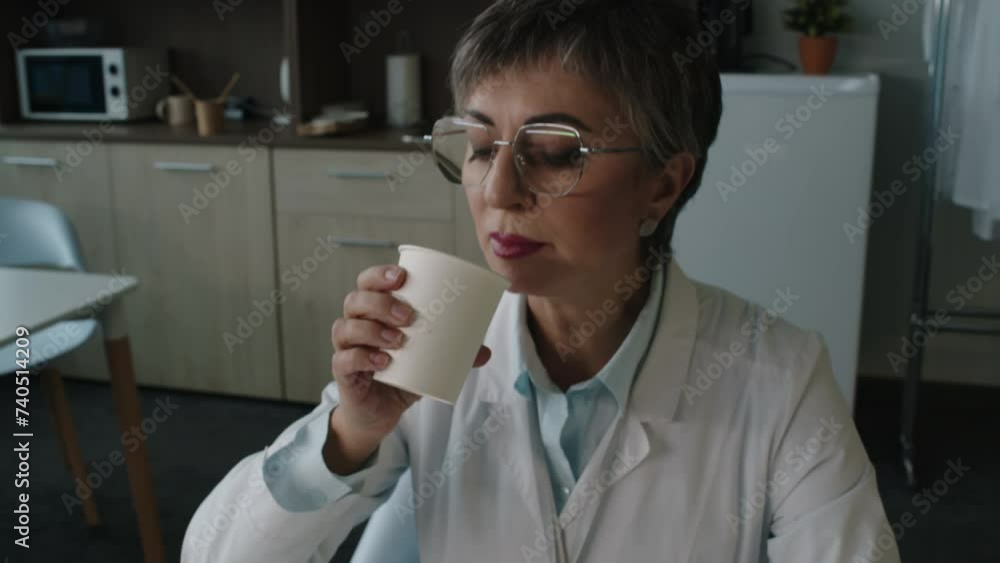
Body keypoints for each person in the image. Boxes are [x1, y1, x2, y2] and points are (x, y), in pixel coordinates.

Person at [182, 1, 900, 562]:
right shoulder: (431, 349)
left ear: (662, 184)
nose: (498, 190)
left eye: (555, 153)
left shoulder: (777, 377)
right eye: (479, 145)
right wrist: (352, 431)